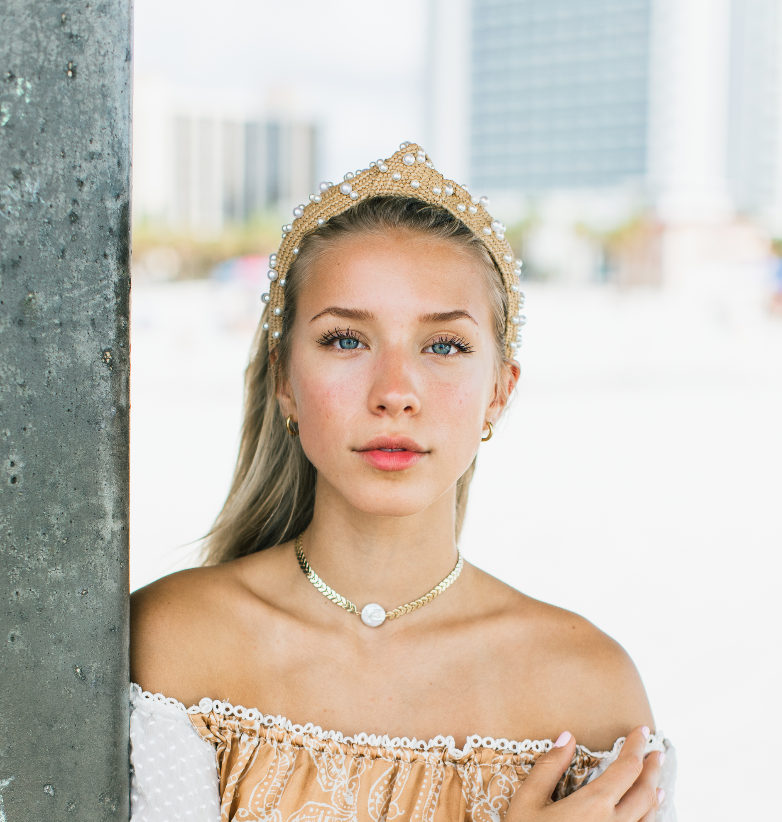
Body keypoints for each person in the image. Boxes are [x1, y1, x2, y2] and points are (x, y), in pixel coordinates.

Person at [129, 143, 676, 822]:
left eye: (444, 346)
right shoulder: (172, 644)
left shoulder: (590, 690)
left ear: (500, 392)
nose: (395, 393)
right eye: (346, 340)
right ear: (284, 380)